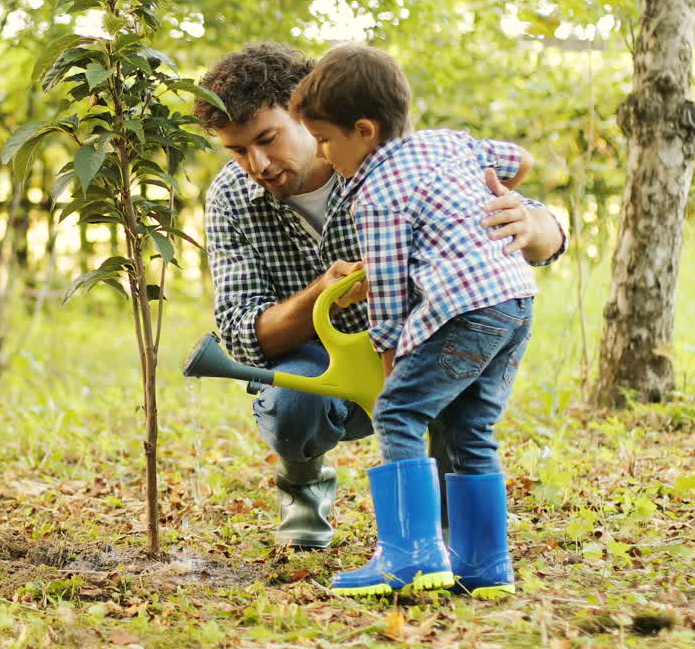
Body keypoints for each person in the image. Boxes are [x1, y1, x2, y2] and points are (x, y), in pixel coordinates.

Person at [192, 43, 566, 556]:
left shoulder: (385, 166)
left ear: (304, 114)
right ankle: (312, 490)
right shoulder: (230, 198)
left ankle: (443, 549)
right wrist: (322, 293)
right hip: (330, 359)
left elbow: (538, 217)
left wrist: (537, 223)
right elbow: (240, 332)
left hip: (425, 333)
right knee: (291, 406)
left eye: (267, 139)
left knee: (452, 419)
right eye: (237, 150)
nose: (256, 163)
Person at [288, 42, 538, 597]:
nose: (324, 156)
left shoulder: (375, 194)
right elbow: (519, 161)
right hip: (515, 299)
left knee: (399, 413)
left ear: (364, 130)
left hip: (464, 310)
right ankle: (483, 565)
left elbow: (391, 308)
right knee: (470, 426)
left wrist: (388, 370)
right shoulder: (446, 143)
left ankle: (410, 556)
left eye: (326, 140)